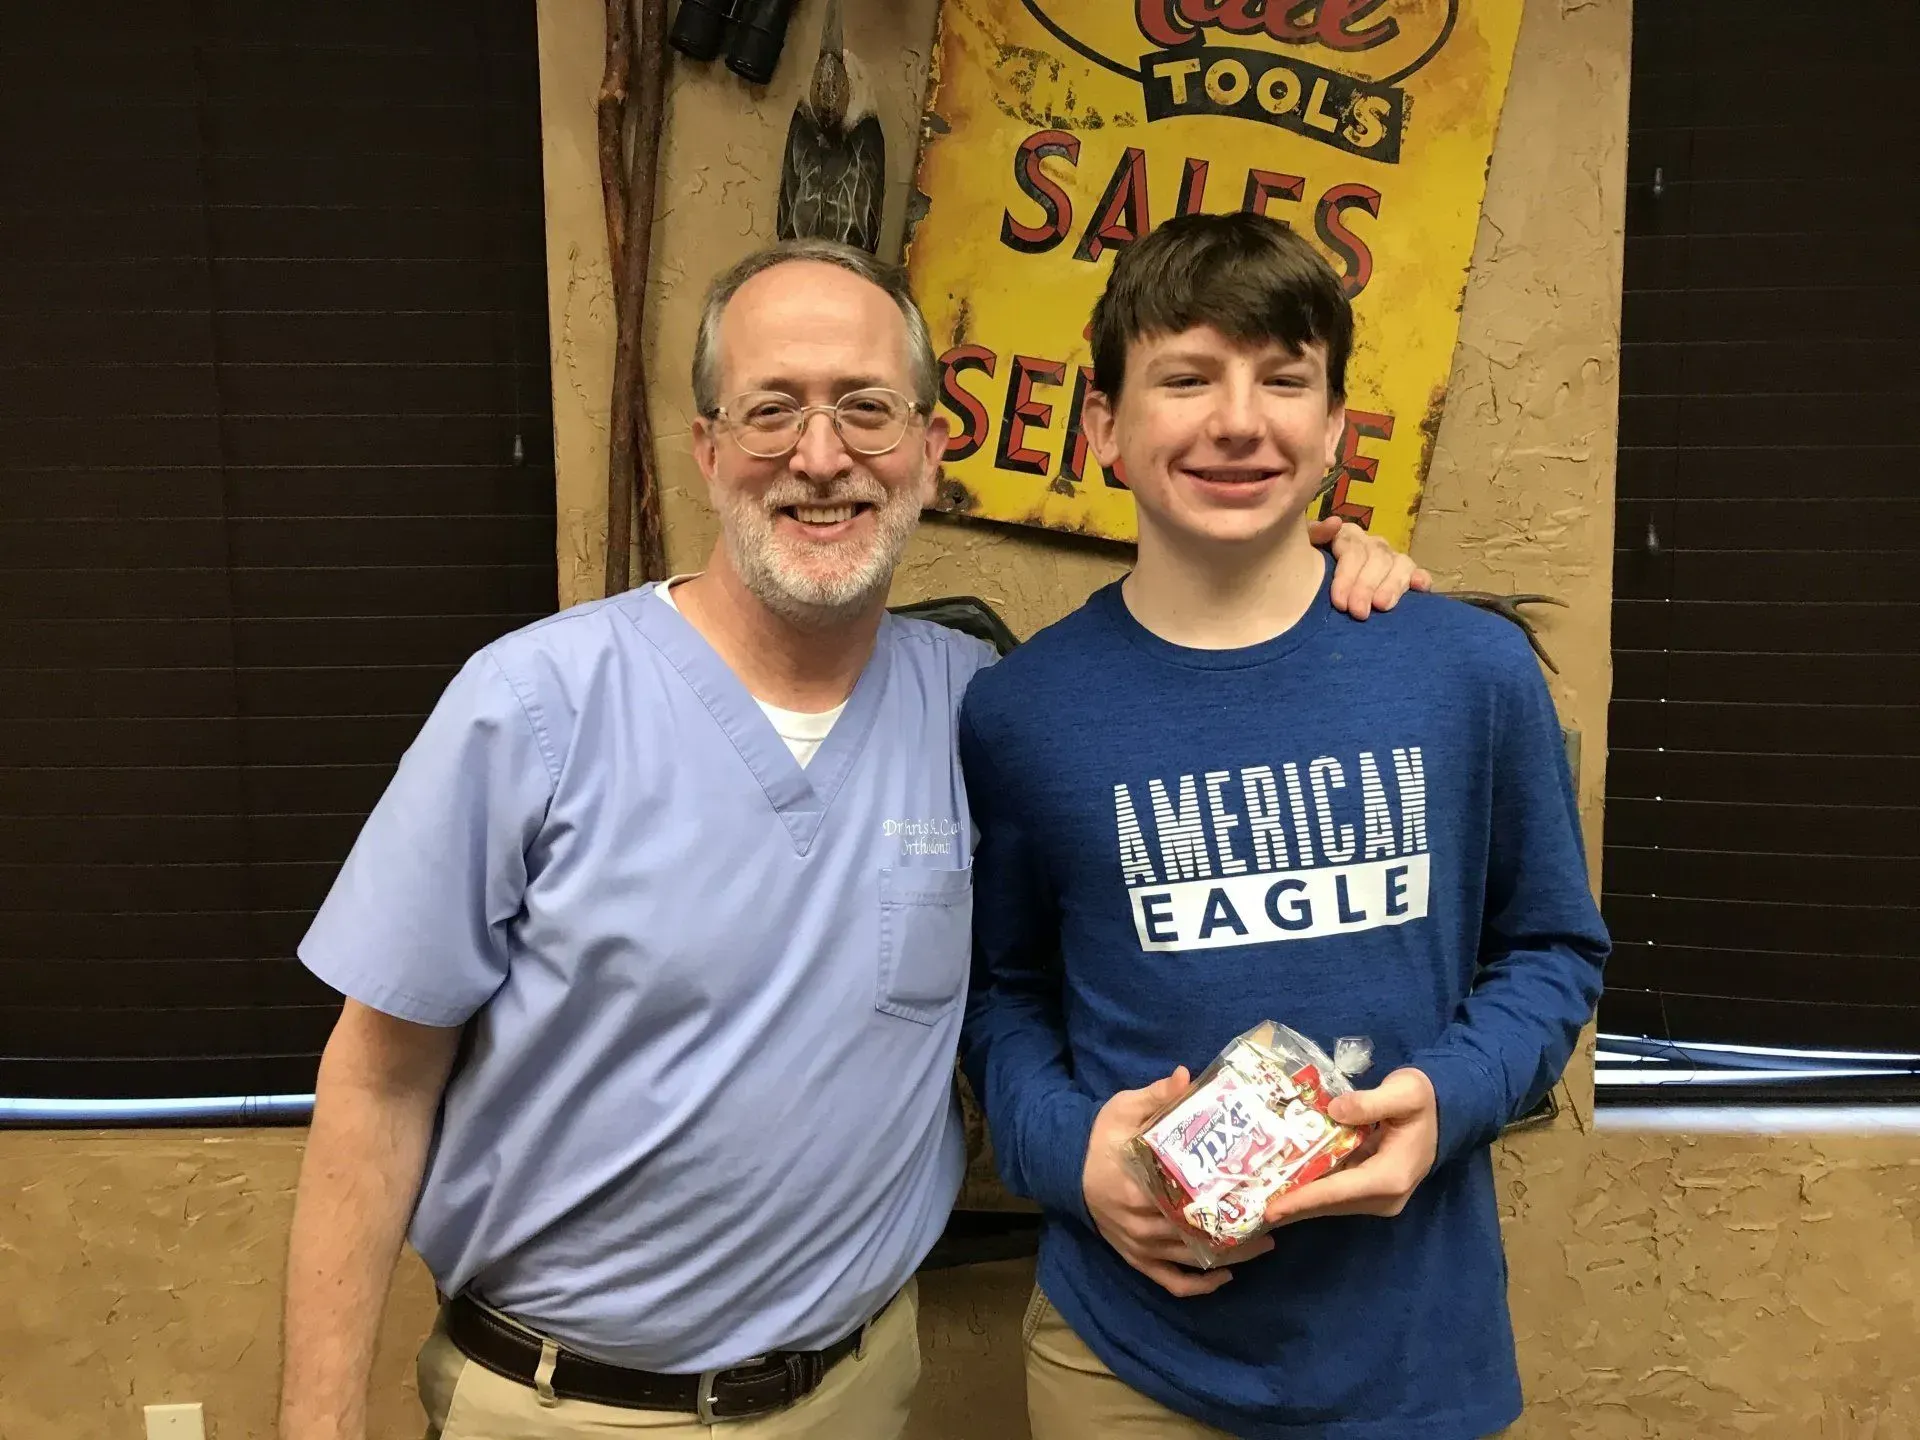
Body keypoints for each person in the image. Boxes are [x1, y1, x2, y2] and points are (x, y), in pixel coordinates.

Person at [276, 236, 1425, 1440]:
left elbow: (1127, 833)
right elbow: (378, 1076)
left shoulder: (983, 708)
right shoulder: (536, 705)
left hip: (859, 1391)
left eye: (868, 410)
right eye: (772, 410)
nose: (821, 458)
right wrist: (318, 1417)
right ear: (708, 448)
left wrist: (1342, 589)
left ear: (932, 448)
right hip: (561, 1406)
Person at [958, 212, 1611, 1440]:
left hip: (1413, 1358)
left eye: (1283, 379)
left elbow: (1553, 951)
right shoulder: (1020, 713)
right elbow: (999, 997)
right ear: (1102, 427)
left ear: (1335, 434)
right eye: (1187, 376)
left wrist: (1448, 1098)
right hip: (1129, 1361)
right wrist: (1072, 1162)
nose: (1239, 421)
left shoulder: (1468, 673)